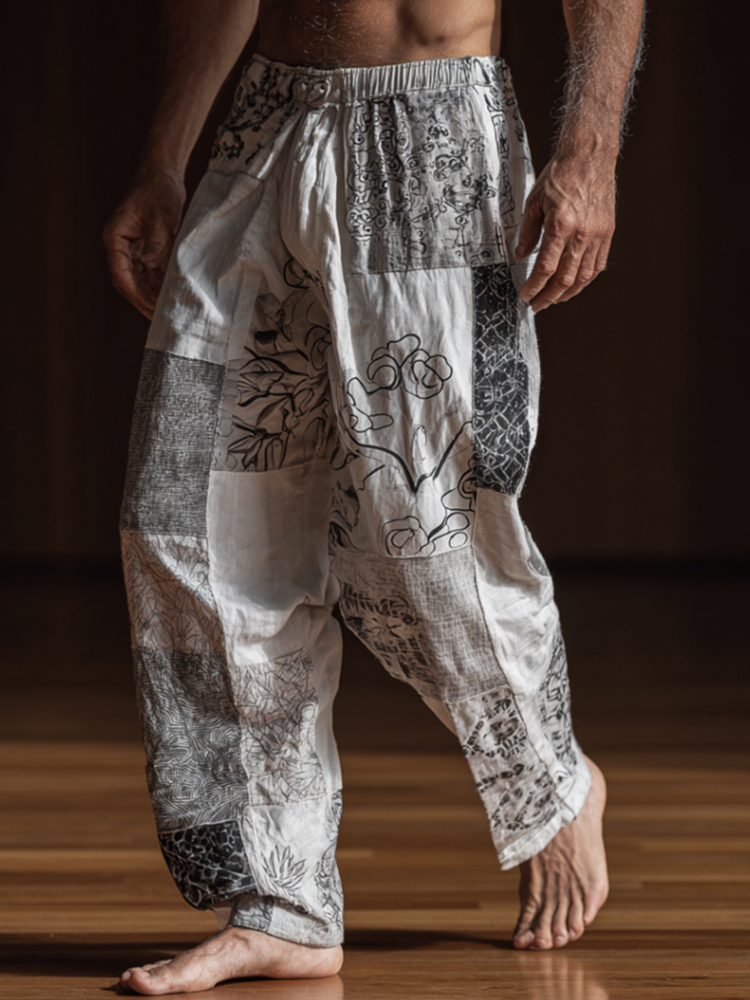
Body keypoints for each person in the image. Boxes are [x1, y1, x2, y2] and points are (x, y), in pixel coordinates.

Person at [104, 0, 644, 993]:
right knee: (190, 518)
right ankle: (283, 901)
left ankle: (547, 778)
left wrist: (591, 149)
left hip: (433, 131)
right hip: (266, 127)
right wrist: (163, 157)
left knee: (435, 524)